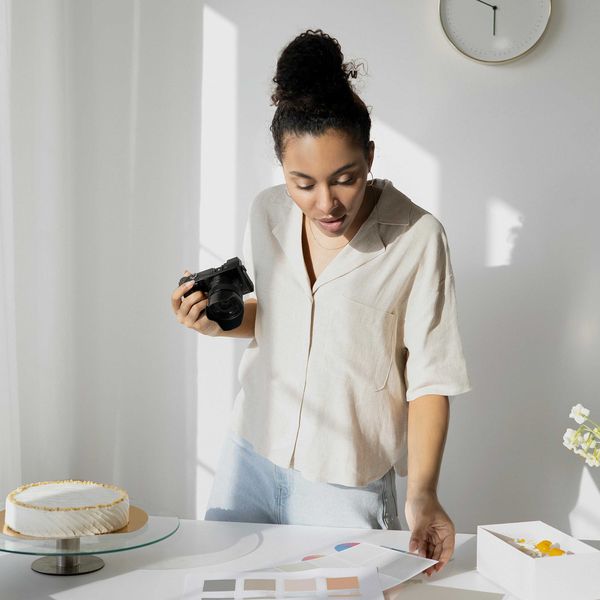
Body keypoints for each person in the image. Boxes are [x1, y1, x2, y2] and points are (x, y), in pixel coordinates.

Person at [171, 29, 471, 576]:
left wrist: (423, 493)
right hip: (250, 456)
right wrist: (219, 324)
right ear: (281, 167)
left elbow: (432, 378)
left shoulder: (418, 237)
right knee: (220, 587)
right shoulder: (265, 212)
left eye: (346, 179)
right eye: (302, 182)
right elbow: (281, 321)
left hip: (345, 481)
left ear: (370, 157)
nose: (326, 202)